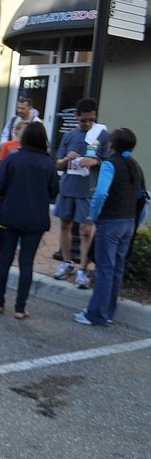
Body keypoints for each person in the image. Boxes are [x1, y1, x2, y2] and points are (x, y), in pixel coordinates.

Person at [73, 128, 147, 327]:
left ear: (112, 144)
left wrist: (95, 214)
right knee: (116, 269)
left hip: (110, 222)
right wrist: (136, 222)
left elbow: (101, 194)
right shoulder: (135, 165)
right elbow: (142, 197)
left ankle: (95, 314)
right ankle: (108, 312)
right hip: (128, 222)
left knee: (104, 269)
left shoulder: (109, 165)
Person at [0, 122, 59, 319]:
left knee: (5, 260)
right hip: (36, 219)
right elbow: (54, 191)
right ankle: (20, 308)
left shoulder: (12, 160)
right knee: (26, 263)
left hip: (10, 216)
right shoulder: (48, 163)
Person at [52, 97, 109, 289]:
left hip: (88, 189)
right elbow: (58, 163)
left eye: (91, 119)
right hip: (68, 186)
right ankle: (67, 263)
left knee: (86, 230)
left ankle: (83, 270)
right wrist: (66, 159)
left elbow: (109, 162)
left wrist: (95, 162)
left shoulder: (101, 134)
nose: (87, 123)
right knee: (65, 225)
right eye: (84, 120)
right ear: (77, 116)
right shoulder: (69, 136)